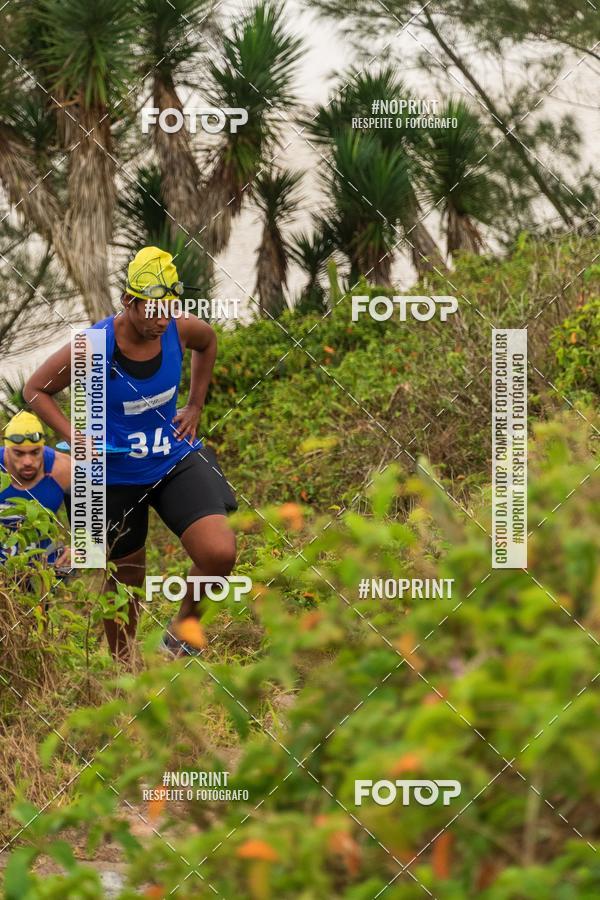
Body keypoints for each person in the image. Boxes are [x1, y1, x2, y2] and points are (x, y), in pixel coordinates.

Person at [24, 246, 237, 660]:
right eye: (152, 310)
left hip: (171, 458)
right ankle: (126, 670)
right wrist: (74, 434)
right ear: (128, 302)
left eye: (168, 309)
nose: (161, 320)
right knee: (125, 581)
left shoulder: (178, 329)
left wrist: (194, 405)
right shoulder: (95, 345)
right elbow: (35, 389)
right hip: (114, 474)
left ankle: (179, 638)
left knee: (219, 553)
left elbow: (207, 342)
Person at [0, 410, 71, 570]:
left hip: (45, 569)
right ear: (7, 450)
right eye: (19, 453)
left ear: (43, 447)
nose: (28, 461)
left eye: (35, 452)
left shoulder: (63, 468)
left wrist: (81, 549)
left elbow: (92, 519)